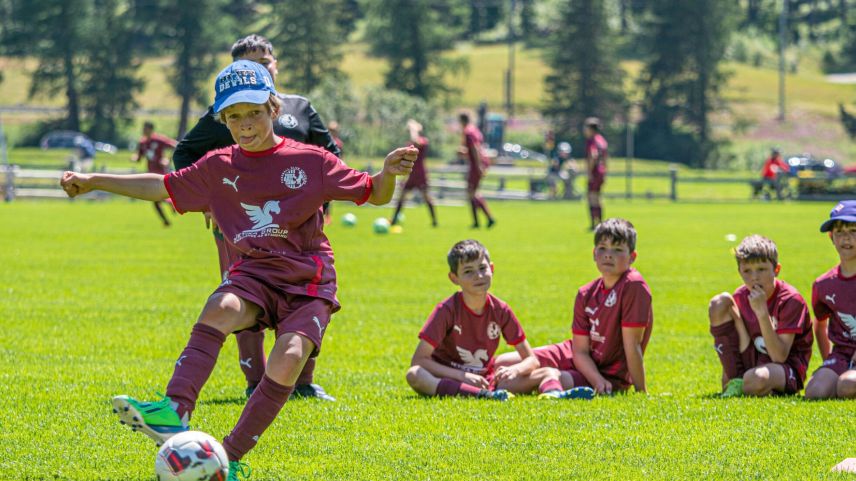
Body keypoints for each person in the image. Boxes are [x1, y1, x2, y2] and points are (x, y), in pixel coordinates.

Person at [60, 60, 417, 479]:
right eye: (233, 116)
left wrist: (388, 173)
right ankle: (174, 409)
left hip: (308, 279)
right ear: (223, 119)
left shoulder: (312, 161)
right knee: (220, 306)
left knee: (289, 357)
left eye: (253, 113)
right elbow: (162, 185)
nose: (245, 124)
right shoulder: (218, 166)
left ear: (272, 108)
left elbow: (374, 193)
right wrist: (94, 180)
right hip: (254, 271)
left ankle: (228, 459)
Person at [172, 34, 341, 401]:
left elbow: (331, 155)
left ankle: (303, 382)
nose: (262, 67)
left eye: (266, 60)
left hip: (298, 231)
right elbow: (184, 153)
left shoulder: (299, 107)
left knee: (304, 299)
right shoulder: (226, 112)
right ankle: (255, 381)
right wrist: (209, 203)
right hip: (241, 230)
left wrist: (322, 203)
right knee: (243, 299)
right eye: (251, 62)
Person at [493, 218, 652, 398]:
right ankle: (542, 378)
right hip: (575, 356)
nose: (608, 255)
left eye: (617, 250)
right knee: (500, 363)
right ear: (594, 253)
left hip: (606, 373)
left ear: (632, 257)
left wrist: (639, 392)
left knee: (511, 383)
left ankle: (548, 378)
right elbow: (580, 351)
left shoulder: (633, 286)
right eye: (602, 248)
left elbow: (633, 345)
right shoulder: (586, 293)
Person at [405, 240, 539, 400]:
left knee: (540, 367)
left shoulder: (501, 309)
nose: (479, 276)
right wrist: (462, 376)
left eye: (483, 268)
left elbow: (531, 359)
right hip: (448, 375)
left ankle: (553, 389)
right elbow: (419, 360)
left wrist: (516, 370)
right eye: (468, 271)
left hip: (484, 378)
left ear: (492, 268)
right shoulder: (446, 310)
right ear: (454, 278)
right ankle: (484, 395)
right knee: (414, 375)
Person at [708, 235, 813, 397]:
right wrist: (728, 372)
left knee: (757, 378)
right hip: (753, 361)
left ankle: (746, 384)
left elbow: (779, 356)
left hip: (785, 368)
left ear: (776, 270)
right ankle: (737, 380)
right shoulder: (741, 295)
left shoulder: (790, 300)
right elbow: (738, 338)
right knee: (719, 303)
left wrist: (762, 312)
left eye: (761, 270)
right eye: (747, 271)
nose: (754, 277)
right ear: (739, 272)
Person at [805, 201, 856, 399]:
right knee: (815, 392)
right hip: (842, 354)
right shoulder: (823, 284)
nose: (846, 238)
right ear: (831, 237)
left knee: (846, 386)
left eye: (853, 230)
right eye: (840, 232)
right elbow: (820, 325)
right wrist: (829, 362)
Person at [391, 119, 437, 227]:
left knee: (427, 198)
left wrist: (413, 128)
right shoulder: (410, 143)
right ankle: (394, 220)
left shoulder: (423, 141)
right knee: (402, 197)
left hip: (420, 175)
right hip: (411, 175)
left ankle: (434, 221)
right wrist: (404, 177)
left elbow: (416, 141)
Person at [132, 122, 178, 226]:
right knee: (155, 199)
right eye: (143, 128)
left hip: (161, 172)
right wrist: (134, 158)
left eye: (145, 128)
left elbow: (176, 146)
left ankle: (171, 205)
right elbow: (139, 158)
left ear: (150, 129)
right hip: (150, 173)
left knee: (157, 195)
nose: (143, 131)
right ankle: (167, 217)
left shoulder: (159, 140)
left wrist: (168, 160)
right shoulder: (142, 143)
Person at [459, 112, 495, 229]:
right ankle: (481, 221)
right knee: (473, 192)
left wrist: (479, 165)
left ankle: (484, 219)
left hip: (476, 164)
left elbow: (474, 149)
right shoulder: (475, 130)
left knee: (472, 193)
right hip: (479, 162)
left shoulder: (468, 132)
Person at [583, 117, 607, 230]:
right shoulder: (602, 140)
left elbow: (593, 155)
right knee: (597, 197)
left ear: (591, 129)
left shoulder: (592, 140)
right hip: (602, 171)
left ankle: (594, 224)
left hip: (595, 171)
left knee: (591, 197)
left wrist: (589, 171)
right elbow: (606, 158)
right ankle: (601, 222)